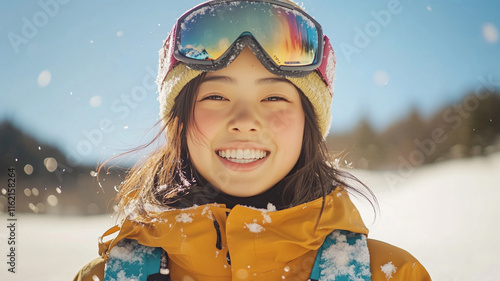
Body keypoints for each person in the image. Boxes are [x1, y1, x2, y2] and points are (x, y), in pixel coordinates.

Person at [74, 0, 431, 280]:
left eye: (274, 98)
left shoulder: (390, 274)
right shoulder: (105, 277)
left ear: (309, 124)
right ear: (179, 123)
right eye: (216, 97)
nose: (244, 122)